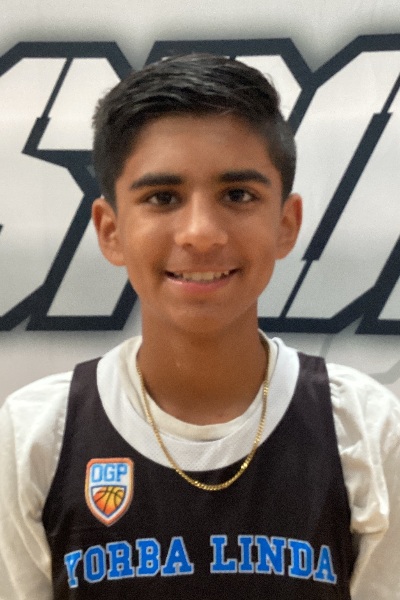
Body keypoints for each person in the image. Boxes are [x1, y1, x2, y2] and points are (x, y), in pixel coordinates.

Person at [0, 53, 399, 600]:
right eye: (162, 198)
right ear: (110, 230)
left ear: (286, 224)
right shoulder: (34, 435)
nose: (201, 233)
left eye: (238, 195)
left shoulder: (366, 429)